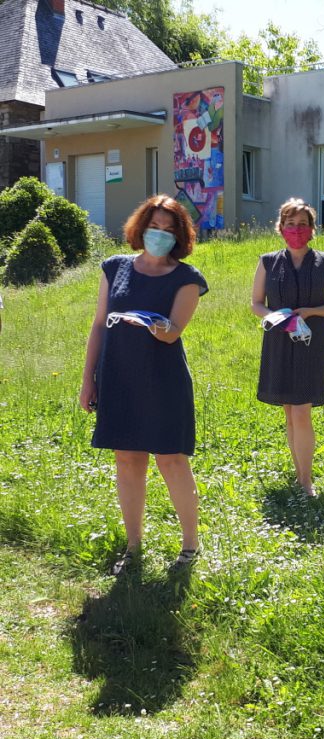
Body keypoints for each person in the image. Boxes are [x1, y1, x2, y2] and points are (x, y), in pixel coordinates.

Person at [78, 195, 207, 575]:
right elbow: (100, 324)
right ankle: (133, 546)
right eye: (155, 227)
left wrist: (159, 326)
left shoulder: (187, 278)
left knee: (171, 460)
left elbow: (173, 333)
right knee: (127, 459)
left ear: (180, 236)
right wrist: (88, 380)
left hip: (163, 381)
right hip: (118, 377)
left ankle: (189, 546)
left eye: (169, 230)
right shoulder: (114, 267)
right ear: (141, 227)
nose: (160, 235)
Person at [251, 199, 324, 496]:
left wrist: (310, 311)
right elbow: (256, 304)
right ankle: (298, 473)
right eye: (290, 224)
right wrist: (275, 316)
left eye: (302, 224)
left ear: (312, 229)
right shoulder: (267, 261)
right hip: (278, 340)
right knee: (289, 412)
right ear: (281, 228)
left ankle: (306, 482)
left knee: (302, 411)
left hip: (310, 342)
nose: (296, 229)